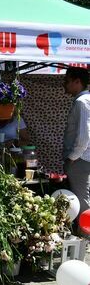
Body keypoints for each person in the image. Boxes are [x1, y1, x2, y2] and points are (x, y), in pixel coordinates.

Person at [62, 67, 90, 229]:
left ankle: (84, 238)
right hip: (83, 158)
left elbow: (84, 136)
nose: (64, 84)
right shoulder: (85, 100)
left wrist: (72, 158)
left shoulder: (82, 102)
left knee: (82, 200)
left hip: (80, 159)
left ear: (77, 82)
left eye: (67, 80)